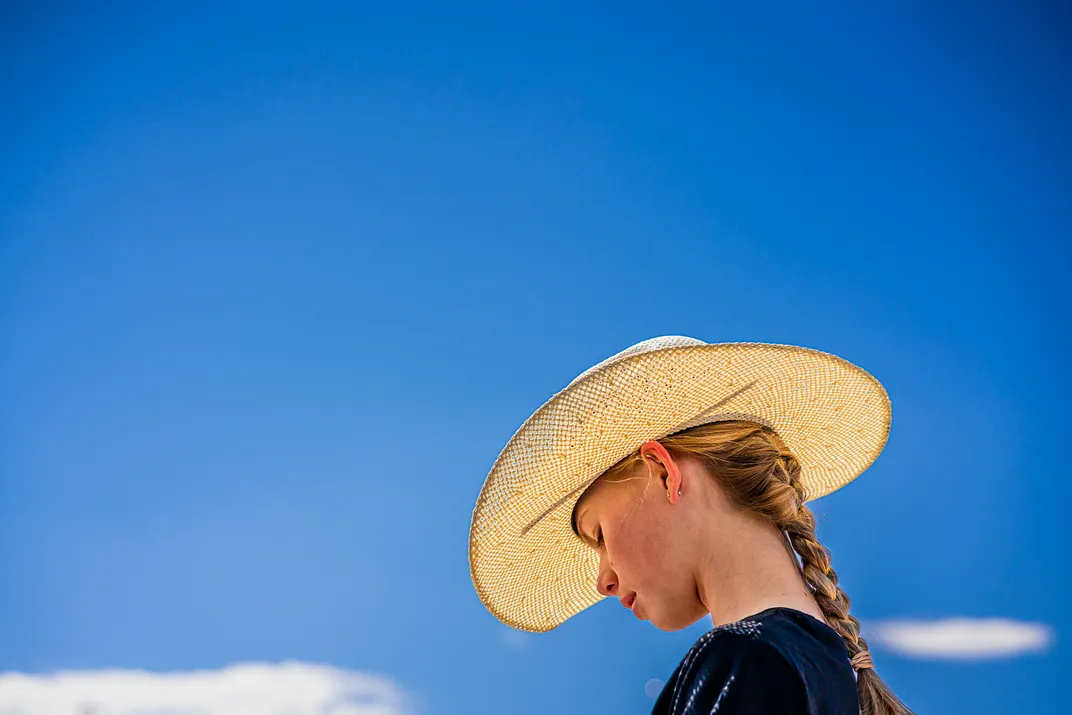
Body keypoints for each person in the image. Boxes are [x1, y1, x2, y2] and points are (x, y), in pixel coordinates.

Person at [468, 336, 914, 715]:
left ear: (663, 472)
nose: (602, 581)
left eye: (599, 535)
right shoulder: (826, 669)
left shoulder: (741, 662)